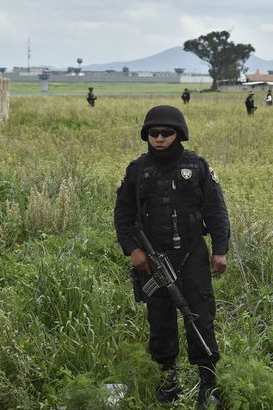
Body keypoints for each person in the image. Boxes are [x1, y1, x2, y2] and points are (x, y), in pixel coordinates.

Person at [114, 105, 230, 408]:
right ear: (147, 136)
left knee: (200, 316)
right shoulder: (137, 170)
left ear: (178, 134)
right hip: (153, 259)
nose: (160, 138)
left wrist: (220, 249)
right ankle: (167, 381)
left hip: (192, 254)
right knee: (161, 319)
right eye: (154, 133)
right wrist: (134, 250)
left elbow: (216, 210)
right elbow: (123, 214)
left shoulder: (197, 166)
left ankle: (208, 382)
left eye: (166, 133)